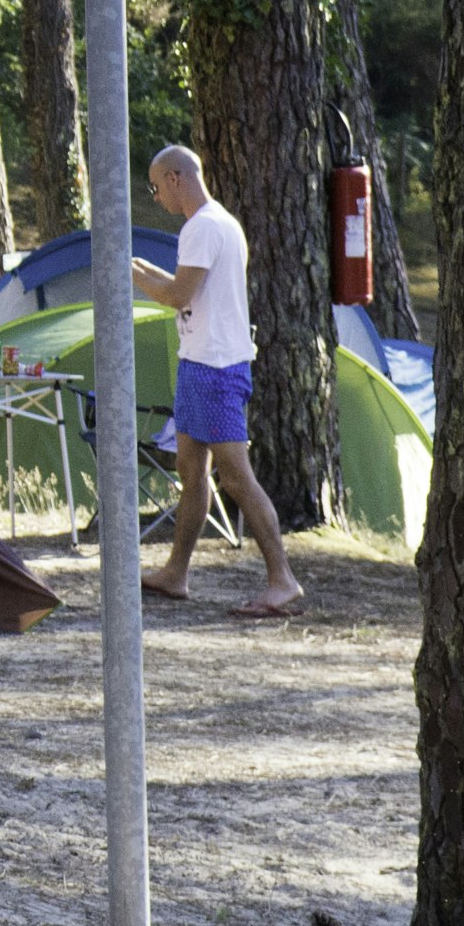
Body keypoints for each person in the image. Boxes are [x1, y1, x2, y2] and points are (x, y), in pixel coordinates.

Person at [136, 144, 304, 619]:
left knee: (234, 474)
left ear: (175, 178)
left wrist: (131, 277)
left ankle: (282, 580)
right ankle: (176, 572)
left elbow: (177, 294)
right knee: (192, 469)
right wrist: (137, 269)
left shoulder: (202, 227)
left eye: (155, 187)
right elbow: (185, 287)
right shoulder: (220, 225)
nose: (156, 197)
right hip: (200, 364)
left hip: (215, 369)